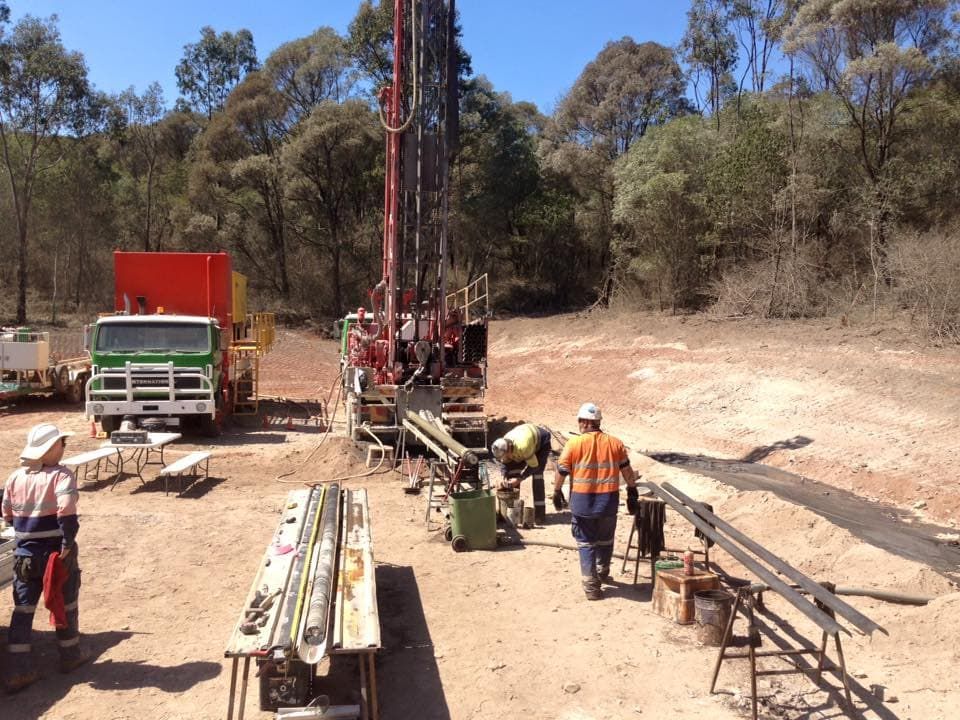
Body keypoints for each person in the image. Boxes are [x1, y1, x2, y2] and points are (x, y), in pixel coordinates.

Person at [2, 423, 89, 693]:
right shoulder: (61, 476)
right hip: (56, 554)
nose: (64, 447)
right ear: (52, 448)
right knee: (65, 602)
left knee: (23, 610)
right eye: (62, 443)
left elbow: (6, 512)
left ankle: (20, 670)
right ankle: (70, 655)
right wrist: (67, 542)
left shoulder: (15, 477)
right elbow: (66, 510)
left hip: (25, 555)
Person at [555, 403, 639, 600]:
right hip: (608, 502)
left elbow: (562, 471)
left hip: (582, 503)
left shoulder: (574, 444)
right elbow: (626, 470)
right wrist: (632, 490)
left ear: (584, 422)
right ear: (597, 422)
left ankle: (592, 587)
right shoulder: (615, 443)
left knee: (585, 543)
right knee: (606, 539)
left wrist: (557, 491)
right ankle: (602, 572)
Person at [490, 423, 554, 523]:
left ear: (509, 450)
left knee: (537, 475)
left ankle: (539, 515)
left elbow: (534, 466)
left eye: (505, 456)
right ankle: (513, 513)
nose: (503, 459)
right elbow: (504, 464)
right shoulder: (504, 444)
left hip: (541, 441)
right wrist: (503, 476)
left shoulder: (523, 448)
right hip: (525, 436)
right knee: (512, 472)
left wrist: (520, 478)